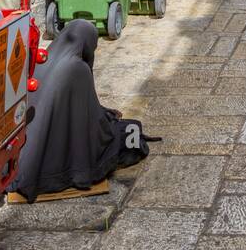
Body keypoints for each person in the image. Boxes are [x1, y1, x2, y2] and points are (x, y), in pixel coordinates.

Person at [9, 20, 150, 203]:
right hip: (51, 161)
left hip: (21, 154)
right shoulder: (77, 69)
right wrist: (107, 118)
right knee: (129, 133)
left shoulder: (42, 58)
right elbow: (88, 122)